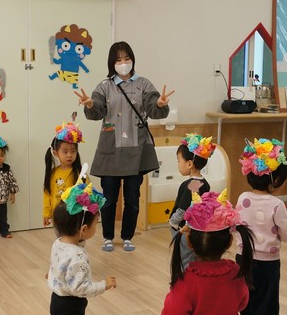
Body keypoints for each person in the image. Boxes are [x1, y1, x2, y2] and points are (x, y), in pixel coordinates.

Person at [73, 41, 173, 252]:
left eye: (127, 58)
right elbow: (97, 109)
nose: (124, 63)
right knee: (109, 199)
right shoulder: (104, 86)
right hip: (111, 150)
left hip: (137, 149)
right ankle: (108, 237)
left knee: (132, 199)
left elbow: (153, 106)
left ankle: (127, 236)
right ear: (112, 63)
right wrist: (90, 104)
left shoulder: (144, 84)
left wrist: (160, 105)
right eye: (119, 59)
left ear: (133, 60)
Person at [47, 179, 116, 315]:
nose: (97, 227)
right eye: (96, 224)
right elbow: (81, 289)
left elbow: (55, 267)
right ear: (84, 229)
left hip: (57, 301)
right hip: (70, 305)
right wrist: (103, 285)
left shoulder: (59, 243)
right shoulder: (78, 257)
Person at [236, 138, 287, 315]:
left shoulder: (243, 198)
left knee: (246, 299)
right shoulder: (276, 204)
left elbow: (236, 225)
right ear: (275, 181)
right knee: (267, 304)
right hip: (268, 263)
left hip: (242, 258)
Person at [169, 133, 214, 270]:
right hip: (198, 229)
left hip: (185, 230)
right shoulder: (204, 183)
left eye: (179, 161)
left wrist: (173, 223)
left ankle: (186, 279)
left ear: (189, 163)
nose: (178, 164)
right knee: (195, 257)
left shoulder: (192, 184)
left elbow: (183, 209)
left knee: (185, 259)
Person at [43, 122, 83, 227]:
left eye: (73, 151)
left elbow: (87, 192)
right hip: (58, 216)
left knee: (73, 236)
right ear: (56, 153)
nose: (69, 155)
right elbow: (47, 193)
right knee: (60, 236)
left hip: (75, 215)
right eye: (65, 152)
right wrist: (47, 213)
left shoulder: (79, 173)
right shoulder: (53, 173)